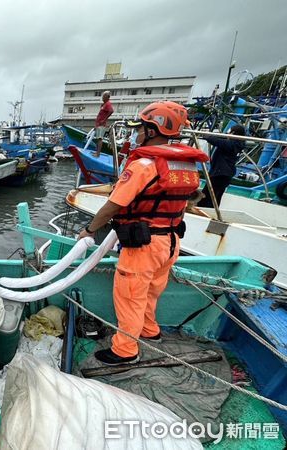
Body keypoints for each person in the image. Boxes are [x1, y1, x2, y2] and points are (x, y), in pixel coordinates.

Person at [78, 101, 208, 365]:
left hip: (143, 245)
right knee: (151, 292)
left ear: (153, 130)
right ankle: (150, 331)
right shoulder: (185, 165)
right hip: (171, 242)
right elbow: (188, 200)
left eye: (140, 129)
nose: (136, 135)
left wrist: (89, 230)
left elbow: (113, 205)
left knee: (130, 297)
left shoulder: (144, 165)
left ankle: (125, 351)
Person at [198, 124, 246, 208]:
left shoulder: (234, 144)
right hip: (224, 173)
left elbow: (219, 142)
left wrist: (208, 137)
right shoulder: (238, 144)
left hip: (220, 174)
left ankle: (204, 210)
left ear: (233, 133)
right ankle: (211, 210)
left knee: (208, 195)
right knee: (215, 196)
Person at [93, 91, 114, 158]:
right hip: (98, 124)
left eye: (104, 96)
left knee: (100, 138)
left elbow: (111, 111)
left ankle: (98, 154)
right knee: (98, 138)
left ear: (107, 97)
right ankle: (96, 152)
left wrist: (104, 120)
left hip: (101, 124)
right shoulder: (104, 104)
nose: (102, 97)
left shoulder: (108, 104)